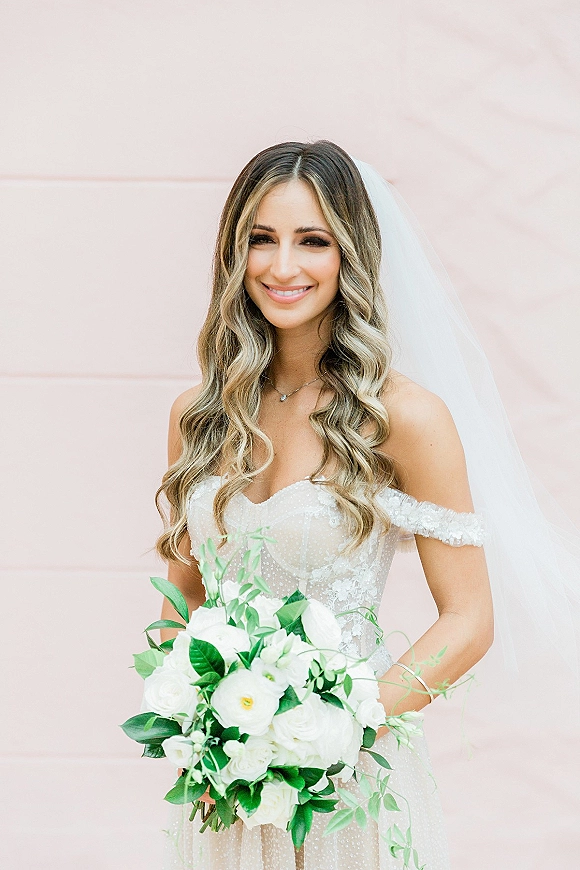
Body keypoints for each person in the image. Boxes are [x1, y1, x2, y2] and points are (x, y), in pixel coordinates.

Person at [154, 140, 495, 870]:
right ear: (233, 254)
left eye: (313, 241)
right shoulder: (201, 415)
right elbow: (181, 603)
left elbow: (469, 619)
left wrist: (341, 730)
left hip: (350, 780)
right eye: (261, 240)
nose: (283, 267)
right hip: (230, 790)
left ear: (351, 254)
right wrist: (198, 721)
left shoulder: (403, 416)